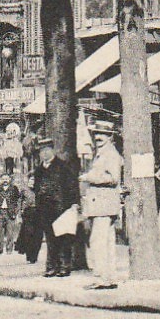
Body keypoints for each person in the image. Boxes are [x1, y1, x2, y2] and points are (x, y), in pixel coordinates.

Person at [80, 119, 123, 290]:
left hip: (103, 205)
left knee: (98, 241)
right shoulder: (103, 153)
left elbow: (113, 178)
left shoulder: (110, 154)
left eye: (102, 134)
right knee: (107, 242)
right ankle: (109, 278)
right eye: (96, 134)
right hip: (102, 205)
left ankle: (101, 278)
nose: (98, 137)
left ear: (110, 137)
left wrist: (89, 177)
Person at [33, 136, 79, 278]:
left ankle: (64, 266)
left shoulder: (62, 166)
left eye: (47, 150)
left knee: (64, 237)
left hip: (61, 207)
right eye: (42, 151)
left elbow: (72, 185)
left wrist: (74, 203)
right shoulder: (38, 170)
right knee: (50, 238)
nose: (45, 154)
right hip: (45, 209)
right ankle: (51, 266)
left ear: (52, 150)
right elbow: (37, 188)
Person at [0, 172, 23, 255]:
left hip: (10, 212)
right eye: (3, 179)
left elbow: (18, 200)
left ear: (9, 179)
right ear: (1, 180)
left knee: (10, 232)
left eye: (6, 179)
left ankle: (9, 250)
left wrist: (16, 211)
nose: (5, 180)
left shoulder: (14, 188)